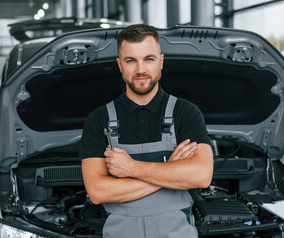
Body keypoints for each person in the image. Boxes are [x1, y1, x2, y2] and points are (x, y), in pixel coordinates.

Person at [79, 24, 213, 238]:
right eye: (131, 60)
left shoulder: (185, 113)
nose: (140, 70)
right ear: (119, 65)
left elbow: (201, 176)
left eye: (148, 59)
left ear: (160, 61)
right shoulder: (99, 119)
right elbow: (97, 192)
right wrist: (170, 170)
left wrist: (131, 167)